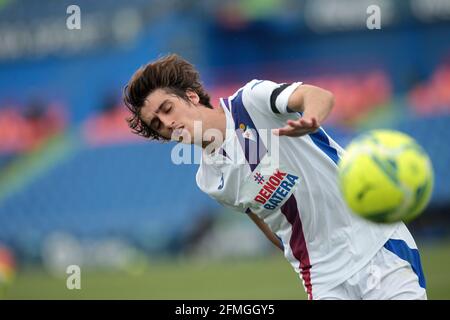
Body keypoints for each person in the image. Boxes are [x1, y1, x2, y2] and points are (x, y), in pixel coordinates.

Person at [123, 54, 427, 300]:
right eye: (157, 123)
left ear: (191, 97)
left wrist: (312, 118)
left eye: (167, 108)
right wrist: (300, 258)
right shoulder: (209, 180)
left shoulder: (251, 102)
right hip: (322, 278)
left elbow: (317, 95)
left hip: (376, 245)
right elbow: (265, 221)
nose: (167, 123)